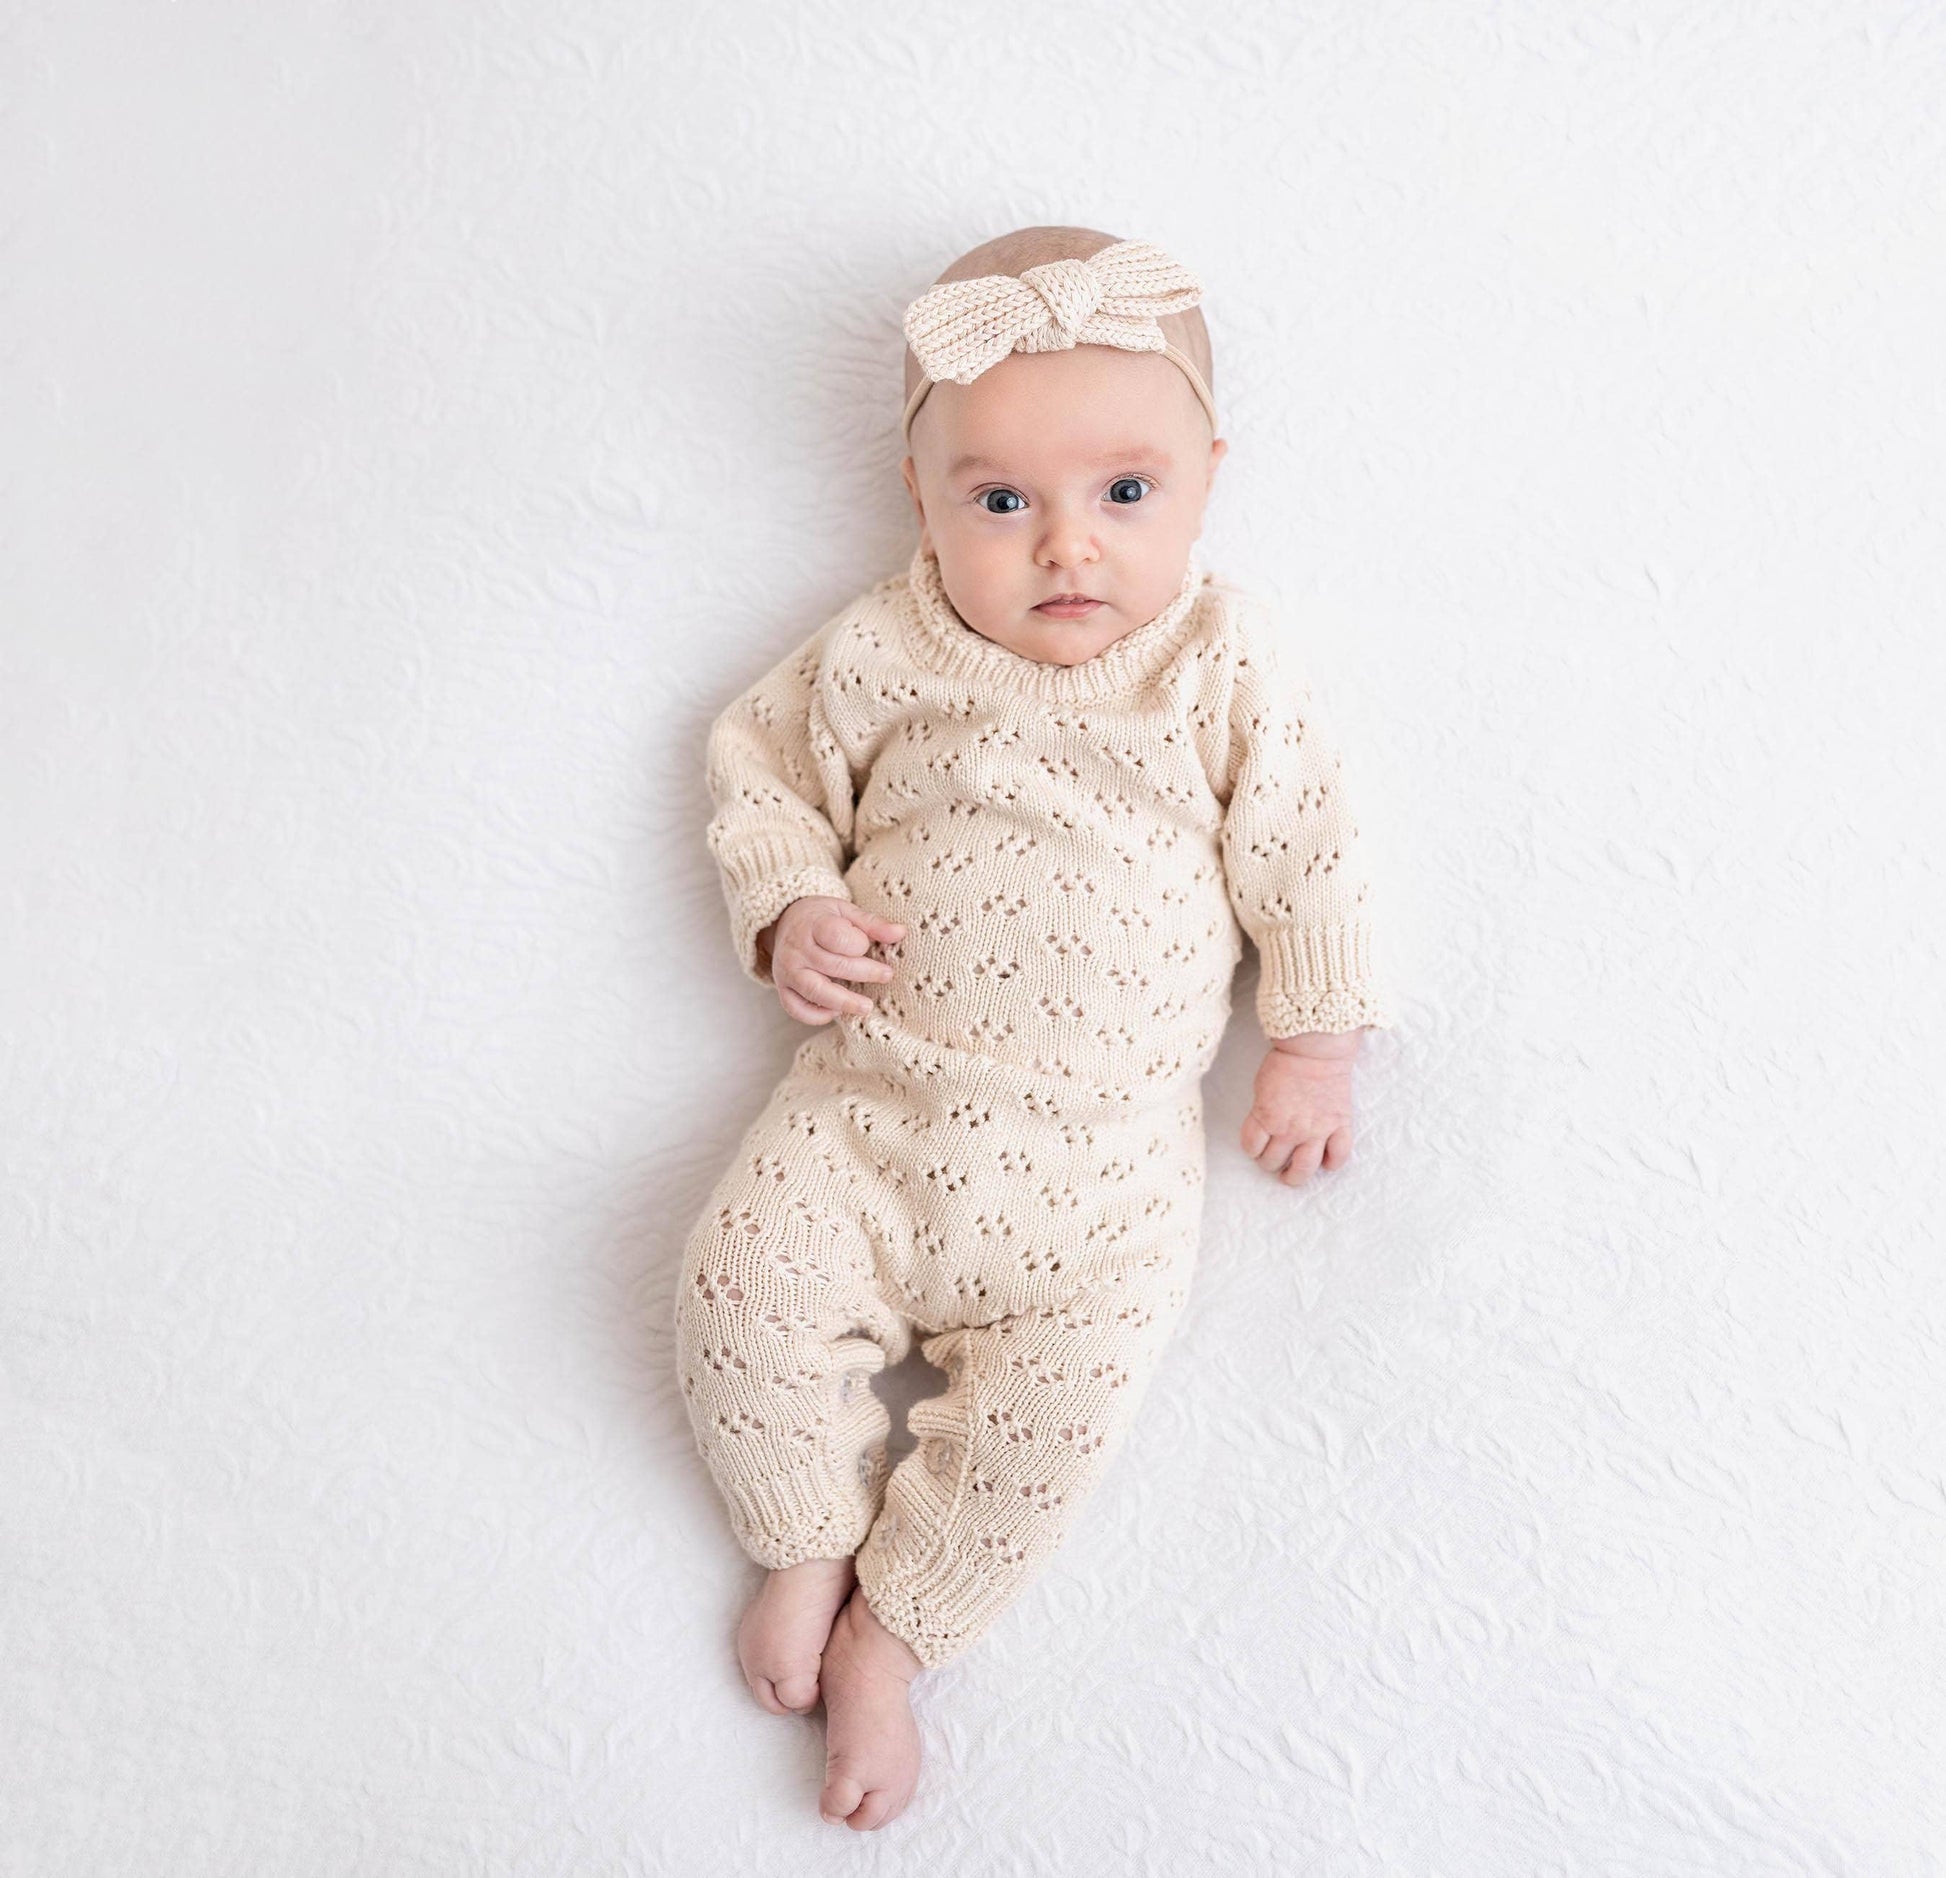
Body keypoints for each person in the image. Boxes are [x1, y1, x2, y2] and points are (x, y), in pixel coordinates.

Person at [673, 225, 1396, 1831]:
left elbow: (1309, 845)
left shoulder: (1220, 665)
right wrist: (790, 908)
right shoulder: (877, 649)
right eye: (1000, 500)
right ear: (921, 495)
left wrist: (1314, 1038)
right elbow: (757, 777)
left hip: (1104, 1180)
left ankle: (894, 1633)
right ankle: (799, 1538)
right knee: (735, 1290)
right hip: (869, 1115)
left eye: (1123, 494)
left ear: (1209, 477)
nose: (1065, 545)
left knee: (1050, 1431)